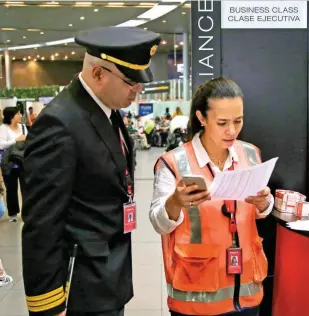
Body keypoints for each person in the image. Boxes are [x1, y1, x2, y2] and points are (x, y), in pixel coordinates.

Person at [22, 26, 161, 316]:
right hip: (80, 285)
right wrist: (49, 304)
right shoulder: (60, 124)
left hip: (109, 275)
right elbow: (42, 222)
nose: (138, 90)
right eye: (130, 82)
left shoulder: (107, 110)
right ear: (98, 74)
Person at [150, 77, 274, 316]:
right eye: (222, 122)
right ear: (201, 118)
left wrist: (264, 203)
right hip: (195, 295)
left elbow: (260, 211)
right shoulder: (174, 163)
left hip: (246, 293)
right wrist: (175, 202)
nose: (232, 130)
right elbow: (158, 222)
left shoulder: (250, 153)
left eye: (238, 121)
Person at [0, 107, 27, 222]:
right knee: (11, 189)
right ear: (11, 116)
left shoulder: (23, 127)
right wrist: (16, 140)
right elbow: (1, 145)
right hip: (9, 163)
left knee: (26, 189)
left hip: (23, 161)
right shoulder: (3, 128)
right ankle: (13, 214)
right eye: (18, 113)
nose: (20, 115)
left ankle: (27, 213)